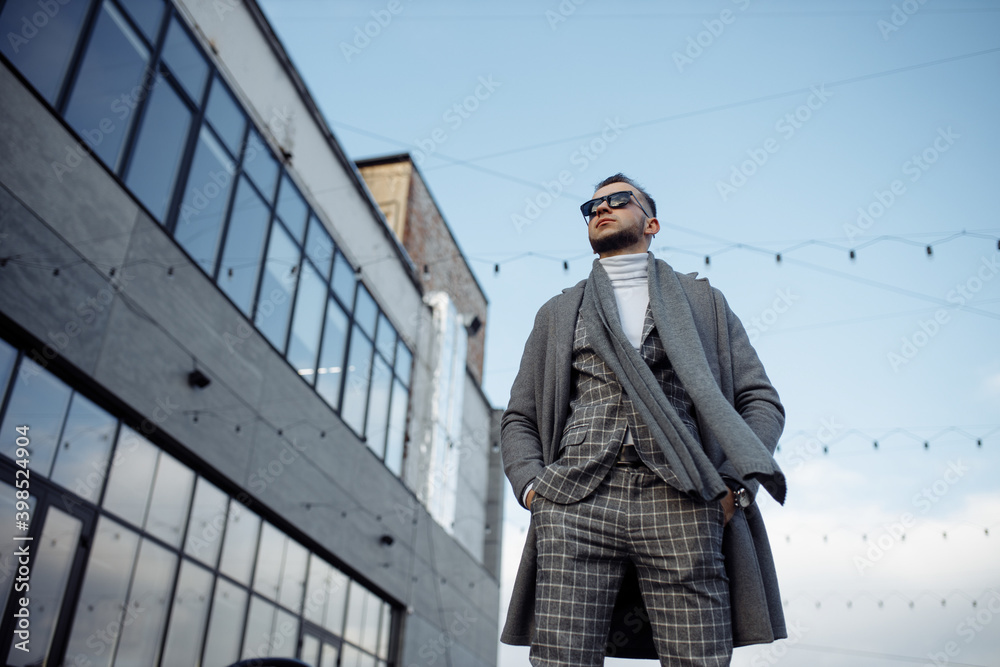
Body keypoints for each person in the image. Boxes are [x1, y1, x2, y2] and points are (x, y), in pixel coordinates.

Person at [500, 174, 788, 666]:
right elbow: (519, 418)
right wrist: (533, 488)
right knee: (559, 661)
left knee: (698, 659)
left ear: (651, 223)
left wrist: (734, 486)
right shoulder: (557, 312)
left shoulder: (705, 304)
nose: (600, 209)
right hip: (574, 500)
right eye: (591, 207)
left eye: (617, 200)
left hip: (683, 498)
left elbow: (759, 400)